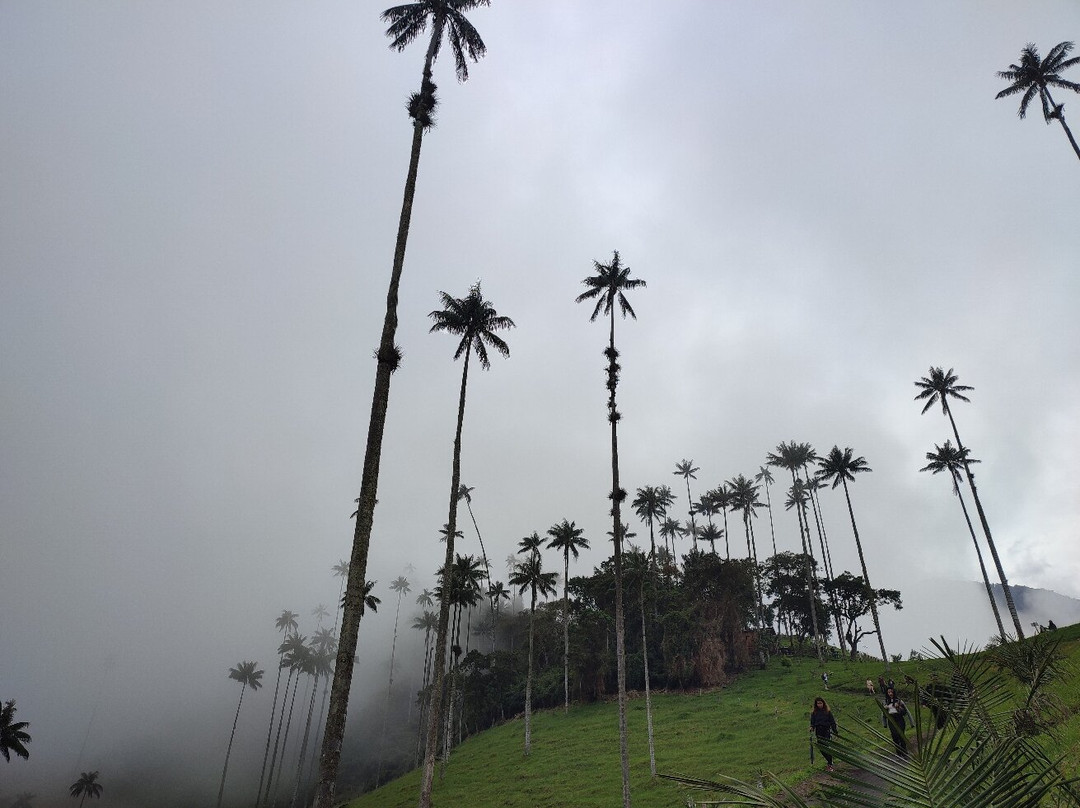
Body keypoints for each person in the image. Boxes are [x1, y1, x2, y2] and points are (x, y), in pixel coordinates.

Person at [810, 696, 839, 771]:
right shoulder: (814, 713)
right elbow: (812, 722)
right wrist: (812, 727)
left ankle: (830, 763)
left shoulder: (827, 712)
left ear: (823, 703)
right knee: (821, 748)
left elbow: (832, 722)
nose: (819, 705)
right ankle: (829, 760)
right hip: (818, 731)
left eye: (820, 703)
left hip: (826, 730)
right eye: (818, 703)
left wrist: (835, 730)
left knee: (826, 746)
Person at [883, 687, 908, 756]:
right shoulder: (885, 702)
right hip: (891, 720)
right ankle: (899, 752)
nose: (890, 693)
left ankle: (904, 751)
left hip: (899, 719)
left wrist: (899, 707)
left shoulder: (899, 701)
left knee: (901, 735)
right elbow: (884, 714)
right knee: (895, 735)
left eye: (891, 692)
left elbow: (904, 712)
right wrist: (885, 709)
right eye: (889, 692)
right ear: (887, 693)